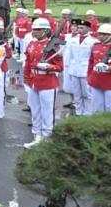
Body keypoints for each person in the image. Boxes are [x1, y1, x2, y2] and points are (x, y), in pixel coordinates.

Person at [23, 18, 64, 148]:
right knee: (35, 110)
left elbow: (60, 67)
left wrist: (48, 66)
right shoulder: (31, 44)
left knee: (47, 111)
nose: (34, 32)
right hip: (34, 81)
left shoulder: (53, 46)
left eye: (38, 29)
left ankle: (47, 136)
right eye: (34, 29)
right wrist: (27, 78)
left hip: (48, 81)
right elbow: (28, 63)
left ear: (46, 30)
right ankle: (37, 135)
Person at [62, 18, 97, 115]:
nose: (79, 30)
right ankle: (78, 112)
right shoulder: (72, 40)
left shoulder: (93, 42)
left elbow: (94, 58)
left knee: (87, 94)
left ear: (88, 29)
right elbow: (68, 56)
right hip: (74, 69)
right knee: (77, 93)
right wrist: (67, 68)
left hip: (85, 70)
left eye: (82, 28)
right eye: (79, 28)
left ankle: (87, 113)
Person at [87, 23, 111, 113]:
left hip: (109, 83)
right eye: (100, 34)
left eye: (104, 34)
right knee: (97, 109)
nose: (101, 36)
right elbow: (91, 63)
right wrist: (89, 78)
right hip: (96, 81)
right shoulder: (96, 46)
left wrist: (108, 68)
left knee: (109, 110)